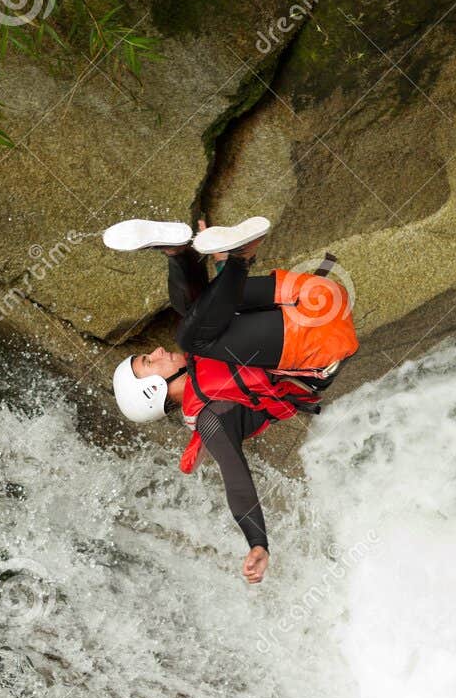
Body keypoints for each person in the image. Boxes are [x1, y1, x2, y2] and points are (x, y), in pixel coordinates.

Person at [106, 217, 359, 583]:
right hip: (320, 343)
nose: (157, 351)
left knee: (194, 313)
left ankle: (181, 252)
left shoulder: (205, 353)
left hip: (312, 301)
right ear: (154, 391)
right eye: (149, 362)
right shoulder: (213, 417)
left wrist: (222, 264)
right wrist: (258, 542)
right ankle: (233, 256)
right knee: (191, 333)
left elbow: (220, 311)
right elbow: (236, 481)